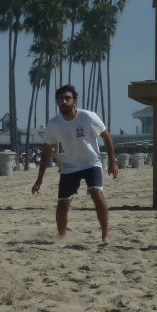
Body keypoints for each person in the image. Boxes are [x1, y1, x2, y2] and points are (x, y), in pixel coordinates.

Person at [30, 85, 118, 244]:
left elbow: (106, 137)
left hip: (92, 163)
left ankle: (105, 236)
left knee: (97, 194)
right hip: (70, 166)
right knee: (62, 205)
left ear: (74, 101)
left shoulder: (88, 117)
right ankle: (62, 237)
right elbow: (46, 150)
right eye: (61, 99)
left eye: (67, 98)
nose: (64, 101)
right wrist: (39, 179)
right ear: (57, 102)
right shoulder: (54, 124)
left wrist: (112, 162)